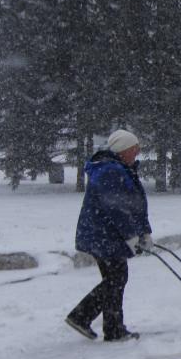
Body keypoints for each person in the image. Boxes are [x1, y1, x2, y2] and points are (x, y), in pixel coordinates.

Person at [65, 130, 153, 342]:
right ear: (123, 150)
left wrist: (145, 232)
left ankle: (108, 327)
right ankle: (86, 318)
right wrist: (131, 235)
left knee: (114, 279)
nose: (137, 152)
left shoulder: (122, 168)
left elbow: (135, 205)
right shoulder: (109, 171)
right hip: (103, 235)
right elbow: (117, 209)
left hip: (108, 235)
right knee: (116, 279)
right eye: (134, 148)